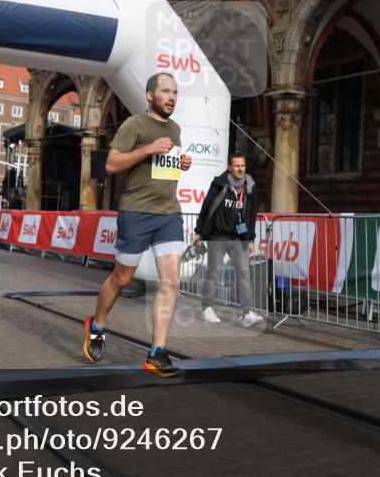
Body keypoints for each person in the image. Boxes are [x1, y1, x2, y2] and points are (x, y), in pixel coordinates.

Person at [82, 72, 192, 377]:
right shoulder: (134, 124)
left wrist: (181, 163)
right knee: (122, 279)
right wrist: (148, 149)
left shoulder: (176, 128)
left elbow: (165, 169)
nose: (172, 97)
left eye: (175, 93)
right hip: (137, 213)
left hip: (169, 213)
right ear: (149, 95)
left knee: (171, 282)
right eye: (166, 91)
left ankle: (157, 352)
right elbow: (110, 164)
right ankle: (97, 325)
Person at [192, 153, 262, 327]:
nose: (240, 169)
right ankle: (207, 309)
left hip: (239, 238)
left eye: (243, 166)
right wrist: (199, 232)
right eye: (237, 166)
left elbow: (251, 215)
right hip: (217, 236)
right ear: (230, 167)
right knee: (213, 273)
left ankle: (247, 313)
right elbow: (206, 206)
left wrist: (251, 238)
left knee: (244, 275)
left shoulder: (250, 186)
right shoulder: (219, 183)